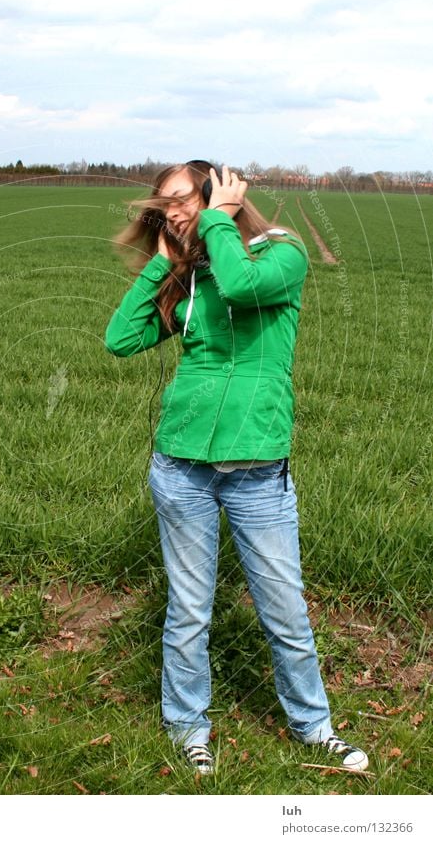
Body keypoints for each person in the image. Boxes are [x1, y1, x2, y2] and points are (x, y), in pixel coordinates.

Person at [105, 160, 368, 775]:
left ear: (216, 192)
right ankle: (188, 727)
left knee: (282, 606)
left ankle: (313, 727)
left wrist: (219, 221)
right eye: (160, 204)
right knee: (189, 607)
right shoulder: (193, 278)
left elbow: (246, 288)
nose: (168, 211)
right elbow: (120, 340)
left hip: (257, 472)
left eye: (178, 199)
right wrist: (162, 266)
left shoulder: (282, 253)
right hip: (181, 467)